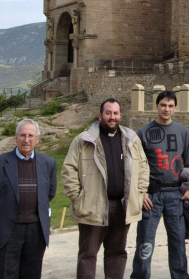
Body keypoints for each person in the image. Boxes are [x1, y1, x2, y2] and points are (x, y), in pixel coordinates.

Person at [62, 98, 149, 279]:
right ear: (100, 115)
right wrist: (78, 198)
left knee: (117, 252)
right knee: (88, 254)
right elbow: (69, 169)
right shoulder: (84, 140)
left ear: (120, 116)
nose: (112, 117)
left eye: (116, 113)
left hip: (121, 207)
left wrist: (139, 195)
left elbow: (143, 168)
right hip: (92, 206)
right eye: (108, 113)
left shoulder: (131, 140)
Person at [0, 119, 57, 279]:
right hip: (8, 230)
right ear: (15, 137)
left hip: (36, 230)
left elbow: (49, 192)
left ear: (37, 138)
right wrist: (3, 212)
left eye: (30, 135)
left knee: (32, 273)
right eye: (22, 135)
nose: (26, 140)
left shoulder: (48, 163)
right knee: (6, 274)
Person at [131, 90, 189, 279]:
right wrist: (141, 193)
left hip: (176, 193)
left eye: (170, 106)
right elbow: (135, 166)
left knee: (177, 240)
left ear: (175, 108)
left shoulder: (182, 132)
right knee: (145, 239)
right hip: (152, 194)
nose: (166, 109)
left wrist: (188, 189)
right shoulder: (143, 133)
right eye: (163, 105)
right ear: (157, 106)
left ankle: (180, 276)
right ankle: (140, 275)